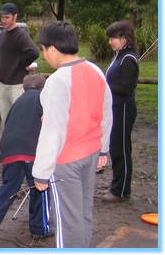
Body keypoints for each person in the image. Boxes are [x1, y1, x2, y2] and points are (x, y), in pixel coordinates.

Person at [32, 21, 112, 248]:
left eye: (43, 50)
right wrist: (103, 147)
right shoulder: (95, 70)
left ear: (53, 49)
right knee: (83, 212)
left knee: (68, 220)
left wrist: (41, 172)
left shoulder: (57, 81)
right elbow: (107, 112)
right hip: (91, 153)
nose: (44, 55)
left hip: (66, 160)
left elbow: (52, 130)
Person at [0, 74, 52, 239]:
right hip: (30, 149)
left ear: (24, 88)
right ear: (43, 88)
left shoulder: (18, 102)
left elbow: (9, 125)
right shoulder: (43, 99)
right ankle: (39, 228)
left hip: (9, 149)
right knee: (40, 186)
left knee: (8, 188)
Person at [0, 2, 38, 162]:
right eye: (2, 17)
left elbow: (34, 52)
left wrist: (20, 64)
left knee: (19, 120)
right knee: (5, 120)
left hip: (17, 84)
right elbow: (0, 54)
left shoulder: (20, 35)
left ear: (15, 17)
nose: (4, 20)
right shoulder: (3, 34)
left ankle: (23, 154)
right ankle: (6, 151)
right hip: (3, 84)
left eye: (7, 17)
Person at [102, 20, 139, 203]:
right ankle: (118, 185)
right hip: (114, 108)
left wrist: (105, 86)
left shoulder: (128, 59)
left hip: (123, 108)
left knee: (121, 148)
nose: (110, 42)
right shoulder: (119, 56)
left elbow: (126, 87)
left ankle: (121, 190)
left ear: (124, 38)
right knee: (115, 147)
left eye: (113, 38)